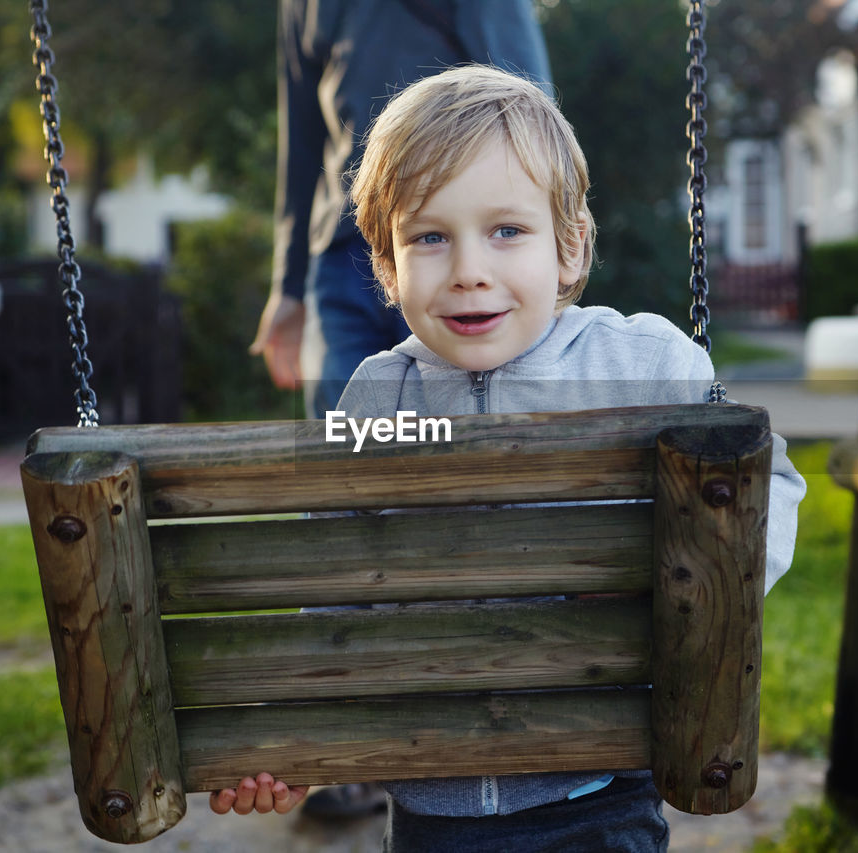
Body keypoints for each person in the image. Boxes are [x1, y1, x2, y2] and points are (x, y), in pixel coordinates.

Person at [214, 65, 807, 851]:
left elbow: (765, 493)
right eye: (430, 236)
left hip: (596, 795)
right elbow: (335, 590)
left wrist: (684, 604)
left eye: (506, 230)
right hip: (434, 810)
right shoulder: (378, 398)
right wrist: (297, 738)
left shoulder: (638, 365)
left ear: (569, 248)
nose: (468, 269)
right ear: (388, 269)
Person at [252, 0, 552, 419]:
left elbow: (531, 114)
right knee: (346, 449)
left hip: (451, 250)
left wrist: (524, 249)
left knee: (457, 447)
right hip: (341, 254)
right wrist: (288, 287)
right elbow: (302, 136)